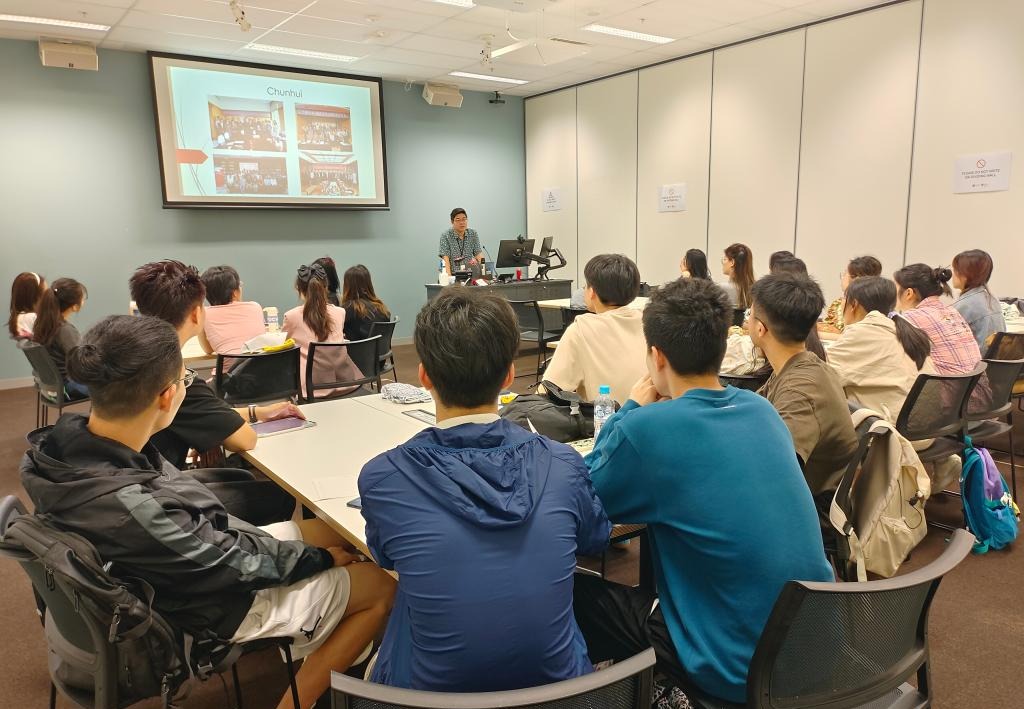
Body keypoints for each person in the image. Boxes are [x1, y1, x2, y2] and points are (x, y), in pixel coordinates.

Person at [20, 314, 395, 709]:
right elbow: (233, 564)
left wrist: (309, 553)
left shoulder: (66, 450)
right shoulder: (134, 505)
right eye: (185, 380)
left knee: (334, 531)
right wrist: (317, 560)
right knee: (381, 585)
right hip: (205, 604)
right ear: (168, 396)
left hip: (178, 566)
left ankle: (320, 626)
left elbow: (201, 542)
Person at [575, 278, 833, 704]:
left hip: (733, 668)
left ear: (656, 356)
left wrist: (632, 407)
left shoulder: (648, 429)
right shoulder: (762, 410)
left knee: (576, 591)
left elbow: (582, 498)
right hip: (813, 648)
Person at [359, 288, 610, 691]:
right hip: (561, 694)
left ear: (423, 376)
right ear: (509, 375)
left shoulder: (383, 478)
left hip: (427, 700)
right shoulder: (563, 465)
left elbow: (385, 555)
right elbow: (596, 538)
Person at [130, 260, 303, 478]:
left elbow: (200, 411)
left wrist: (258, 413)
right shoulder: (178, 381)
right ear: (196, 314)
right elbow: (245, 439)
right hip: (157, 484)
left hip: (131, 476)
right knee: (260, 486)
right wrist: (213, 431)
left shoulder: (139, 362)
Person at [749, 273, 858, 495]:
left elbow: (776, 473)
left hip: (809, 506)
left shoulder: (799, 390)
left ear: (760, 328)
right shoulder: (803, 366)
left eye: (749, 315)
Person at [542, 254, 646, 404]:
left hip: (607, 417)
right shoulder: (648, 321)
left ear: (592, 292)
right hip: (653, 416)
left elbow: (549, 390)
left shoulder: (582, 329)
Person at [826, 276, 935, 420]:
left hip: (888, 430)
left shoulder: (862, 332)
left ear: (854, 304)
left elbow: (821, 374)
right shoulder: (903, 330)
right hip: (923, 426)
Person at [283, 263, 359, 399]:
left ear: (299, 289)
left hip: (310, 384)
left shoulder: (291, 316)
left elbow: (285, 344)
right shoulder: (340, 312)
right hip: (344, 380)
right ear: (326, 287)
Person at [894, 264, 981, 375]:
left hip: (946, 384)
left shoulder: (911, 318)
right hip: (975, 383)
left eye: (895, 288)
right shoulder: (952, 311)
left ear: (909, 293)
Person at [32, 278, 89, 399]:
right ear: (75, 306)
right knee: (114, 385)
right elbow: (82, 362)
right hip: (68, 386)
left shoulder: (44, 324)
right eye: (83, 298)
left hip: (50, 385)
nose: (84, 301)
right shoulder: (65, 330)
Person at [199, 265, 265, 355]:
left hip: (228, 365)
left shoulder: (204, 314)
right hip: (263, 364)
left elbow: (208, 350)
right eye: (239, 285)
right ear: (235, 293)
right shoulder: (255, 307)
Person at [951, 249, 1005, 351]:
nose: (952, 275)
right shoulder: (992, 299)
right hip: (994, 359)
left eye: (955, 270)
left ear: (966, 274)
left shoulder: (965, 305)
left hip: (976, 359)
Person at [821, 256, 883, 334]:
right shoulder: (881, 304)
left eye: (844, 274)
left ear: (855, 279)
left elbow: (850, 335)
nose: (842, 278)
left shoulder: (850, 305)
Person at [341, 264, 391, 342]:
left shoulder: (346, 309)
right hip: (379, 349)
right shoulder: (382, 308)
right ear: (368, 283)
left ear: (347, 286)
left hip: (357, 349)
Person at [438, 207, 483, 274]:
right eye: (458, 220)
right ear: (452, 222)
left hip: (469, 274)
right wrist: (449, 278)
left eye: (464, 219)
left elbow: (478, 254)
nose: (462, 222)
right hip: (453, 274)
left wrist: (484, 273)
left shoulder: (473, 233)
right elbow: (445, 260)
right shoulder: (446, 236)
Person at [721, 243, 755, 327]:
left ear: (732, 262)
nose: (723, 263)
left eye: (724, 259)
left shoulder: (721, 289)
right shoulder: (756, 289)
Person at [8, 271, 46, 339]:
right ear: (34, 296)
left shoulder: (20, 317)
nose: (48, 297)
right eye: (45, 293)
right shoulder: (32, 318)